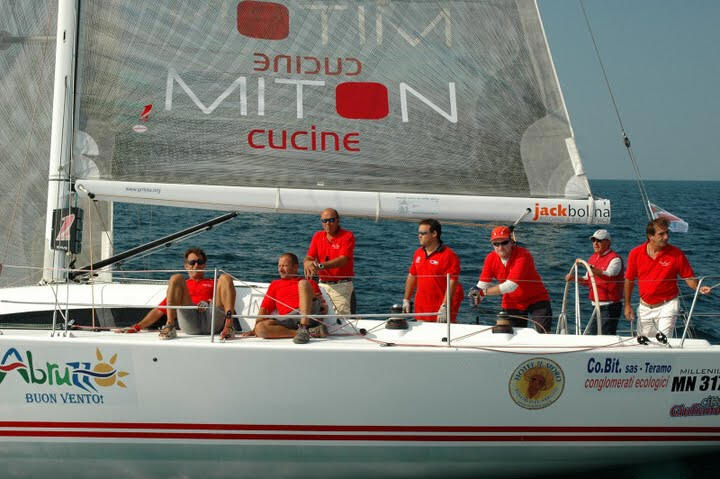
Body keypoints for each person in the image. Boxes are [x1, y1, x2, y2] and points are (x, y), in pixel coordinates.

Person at [115, 247, 236, 340]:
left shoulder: (214, 282)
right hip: (190, 319)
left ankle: (229, 326)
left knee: (225, 278)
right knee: (176, 278)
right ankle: (170, 326)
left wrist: (209, 301)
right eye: (192, 262)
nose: (196, 265)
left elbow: (227, 300)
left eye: (200, 262)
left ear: (204, 265)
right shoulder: (182, 285)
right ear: (186, 266)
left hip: (212, 317)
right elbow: (160, 310)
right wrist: (137, 327)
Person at [624, 218, 711, 337]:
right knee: (644, 342)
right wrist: (627, 305)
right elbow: (629, 280)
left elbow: (688, 277)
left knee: (663, 340)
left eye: (667, 233)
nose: (666, 237)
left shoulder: (676, 254)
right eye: (661, 234)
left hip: (668, 305)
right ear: (650, 236)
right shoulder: (635, 253)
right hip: (645, 306)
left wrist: (698, 288)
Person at [471, 226, 552, 333]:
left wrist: (483, 292)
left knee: (543, 333)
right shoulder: (490, 258)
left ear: (511, 242)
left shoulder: (523, 255)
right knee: (510, 334)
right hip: (512, 301)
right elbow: (483, 284)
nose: (500, 247)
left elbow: (510, 286)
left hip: (537, 299)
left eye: (504, 243)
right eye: (496, 244)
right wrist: (476, 296)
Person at [249, 252, 328, 344]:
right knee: (260, 329)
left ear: (295, 267)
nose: (280, 269)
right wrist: (254, 329)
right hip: (288, 319)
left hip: (308, 315)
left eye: (284, 266)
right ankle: (306, 332)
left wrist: (317, 301)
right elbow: (264, 310)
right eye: (279, 266)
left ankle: (304, 327)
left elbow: (323, 308)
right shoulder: (275, 284)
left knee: (303, 283)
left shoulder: (309, 282)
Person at [402, 219, 464, 322]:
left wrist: (445, 306)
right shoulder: (418, 253)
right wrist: (406, 299)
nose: (419, 236)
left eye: (423, 233)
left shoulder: (449, 255)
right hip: (421, 309)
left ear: (434, 234)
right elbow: (412, 276)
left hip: (440, 310)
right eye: (419, 233)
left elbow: (452, 282)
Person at [564, 229, 624, 335]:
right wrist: (574, 278)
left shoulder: (615, 260)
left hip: (609, 306)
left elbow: (609, 275)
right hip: (595, 305)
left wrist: (590, 268)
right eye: (593, 240)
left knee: (605, 336)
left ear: (608, 243)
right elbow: (588, 280)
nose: (595, 243)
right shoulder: (592, 258)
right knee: (594, 335)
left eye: (599, 241)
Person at [303, 208, 356, 316]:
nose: (327, 223)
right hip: (322, 285)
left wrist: (320, 266)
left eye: (331, 220)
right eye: (324, 220)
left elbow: (343, 260)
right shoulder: (317, 236)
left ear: (337, 220)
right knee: (319, 316)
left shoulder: (347, 236)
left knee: (341, 318)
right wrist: (307, 263)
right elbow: (309, 257)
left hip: (341, 286)